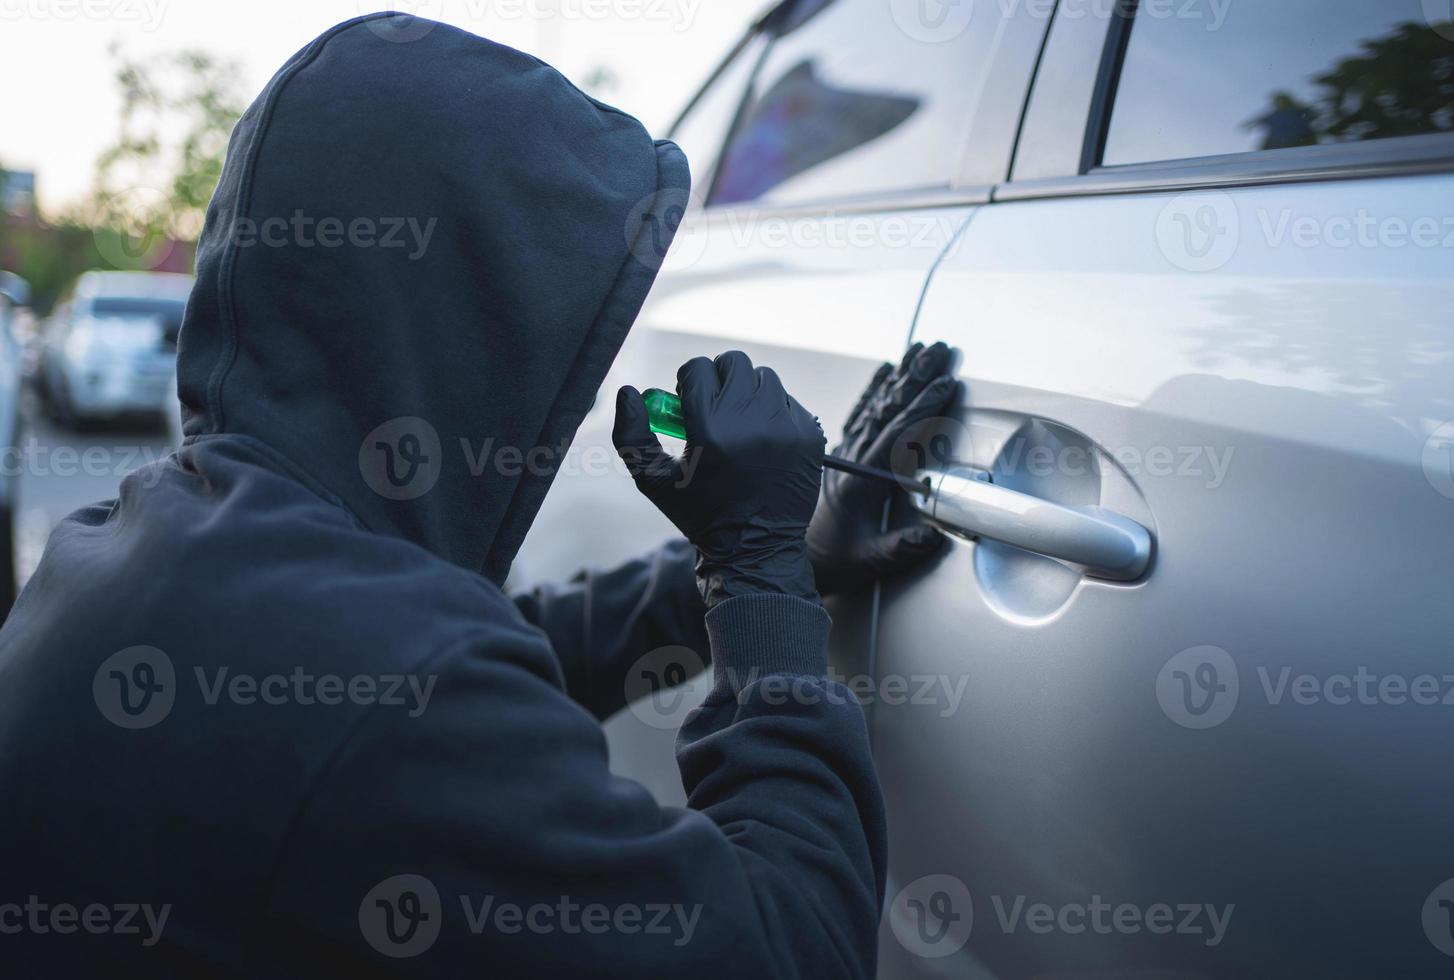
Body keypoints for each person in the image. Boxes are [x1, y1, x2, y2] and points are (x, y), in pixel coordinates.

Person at [0, 14, 954, 978]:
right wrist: (763, 583)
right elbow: (797, 952)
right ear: (474, 321)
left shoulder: (138, 544)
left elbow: (474, 667)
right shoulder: (379, 703)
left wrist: (740, 561)